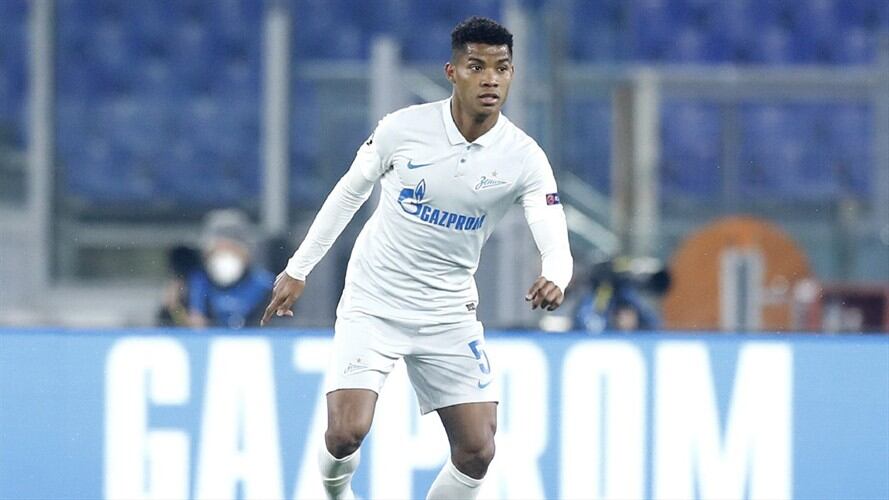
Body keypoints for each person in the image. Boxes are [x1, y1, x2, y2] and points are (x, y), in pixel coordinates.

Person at [261, 17, 572, 499]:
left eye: (502, 68)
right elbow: (348, 194)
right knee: (345, 433)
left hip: (448, 311)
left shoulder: (523, 157)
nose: (491, 78)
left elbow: (553, 235)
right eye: (477, 66)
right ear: (452, 72)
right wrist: (298, 269)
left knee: (478, 451)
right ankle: (335, 492)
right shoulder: (403, 129)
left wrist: (555, 273)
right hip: (374, 299)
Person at [187, 209, 274, 329]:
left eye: (232, 248)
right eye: (217, 249)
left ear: (247, 253)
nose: (224, 255)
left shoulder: (267, 288)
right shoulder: (192, 287)